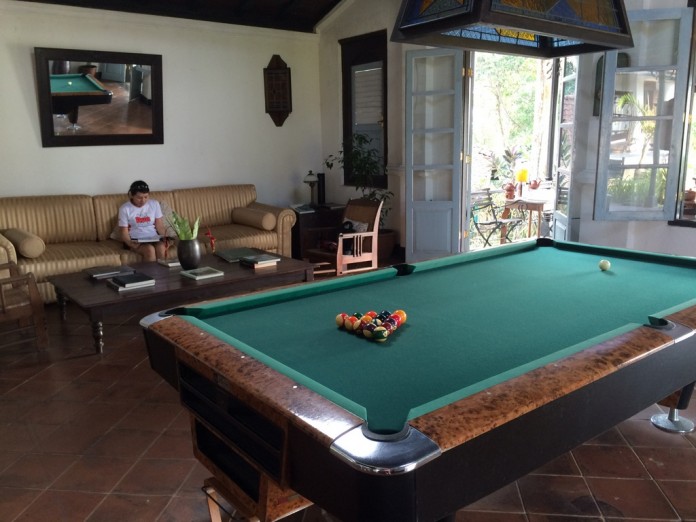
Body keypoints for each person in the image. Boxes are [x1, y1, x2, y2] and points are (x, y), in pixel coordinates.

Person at [118, 180, 167, 262]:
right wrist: (130, 243)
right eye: (139, 198)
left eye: (146, 197)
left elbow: (160, 226)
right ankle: (151, 271)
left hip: (153, 238)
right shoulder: (125, 208)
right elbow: (123, 232)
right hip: (135, 239)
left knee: (161, 248)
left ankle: (163, 270)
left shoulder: (154, 204)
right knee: (149, 250)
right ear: (131, 195)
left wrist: (166, 237)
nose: (143, 200)